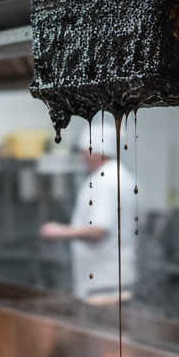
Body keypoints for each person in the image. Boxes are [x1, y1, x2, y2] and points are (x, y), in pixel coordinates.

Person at [40, 112, 137, 302]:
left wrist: (59, 231)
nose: (82, 155)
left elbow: (99, 230)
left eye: (85, 150)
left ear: (97, 151)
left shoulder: (104, 181)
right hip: (114, 280)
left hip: (103, 284)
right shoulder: (121, 176)